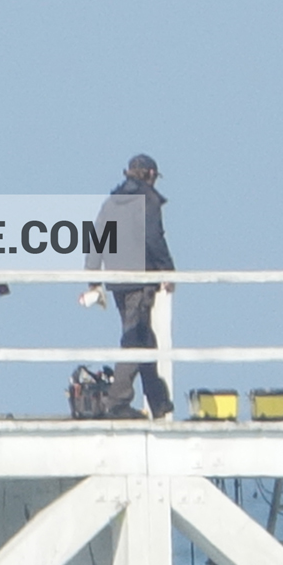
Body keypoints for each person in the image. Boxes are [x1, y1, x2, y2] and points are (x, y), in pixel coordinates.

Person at [79, 154, 175, 419]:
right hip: (140, 279)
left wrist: (93, 277)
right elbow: (154, 238)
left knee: (143, 336)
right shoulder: (148, 201)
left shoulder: (111, 202)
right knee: (135, 338)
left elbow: (96, 238)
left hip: (118, 280)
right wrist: (168, 270)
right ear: (149, 174)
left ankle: (158, 401)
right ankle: (117, 402)